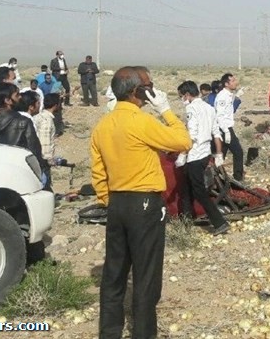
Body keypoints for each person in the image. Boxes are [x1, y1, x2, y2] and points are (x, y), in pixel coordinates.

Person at [90, 66, 191, 339]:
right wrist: (166, 110)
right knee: (146, 276)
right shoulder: (141, 122)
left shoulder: (103, 125)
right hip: (144, 203)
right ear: (136, 92)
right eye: (148, 85)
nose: (151, 89)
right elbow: (183, 141)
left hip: (116, 203)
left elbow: (99, 173)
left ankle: (109, 332)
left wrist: (108, 200)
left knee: (114, 273)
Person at [176, 80, 229, 235]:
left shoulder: (191, 109)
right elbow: (216, 133)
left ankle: (219, 222)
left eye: (181, 96)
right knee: (186, 187)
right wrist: (218, 153)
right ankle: (186, 219)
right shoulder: (209, 108)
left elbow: (191, 135)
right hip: (205, 153)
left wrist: (182, 154)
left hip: (194, 155)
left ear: (187, 94)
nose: (182, 100)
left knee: (198, 190)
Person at [0, 82, 50, 190]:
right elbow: (34, 153)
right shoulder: (23, 122)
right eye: (17, 95)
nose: (20, 97)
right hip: (17, 176)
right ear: (8, 100)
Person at [214, 73, 245, 181]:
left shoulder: (228, 95)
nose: (235, 82)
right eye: (232, 81)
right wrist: (226, 131)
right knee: (238, 152)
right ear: (226, 84)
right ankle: (238, 177)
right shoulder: (222, 96)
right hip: (224, 129)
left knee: (221, 155)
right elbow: (220, 115)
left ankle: (216, 177)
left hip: (226, 128)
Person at [34, 93, 60, 164]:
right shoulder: (47, 120)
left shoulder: (39, 116)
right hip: (42, 161)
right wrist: (48, 159)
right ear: (55, 105)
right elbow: (45, 142)